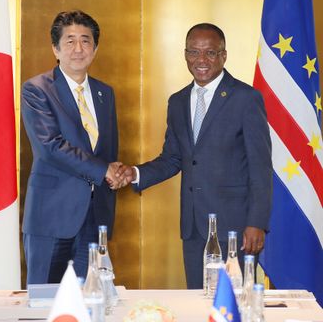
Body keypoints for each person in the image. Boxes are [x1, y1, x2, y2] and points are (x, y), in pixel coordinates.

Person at [115, 23, 273, 289]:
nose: (201, 60)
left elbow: (261, 167)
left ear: (224, 55)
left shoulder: (246, 98)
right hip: (193, 229)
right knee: (198, 303)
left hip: (235, 229)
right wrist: (135, 173)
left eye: (210, 53)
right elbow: (173, 158)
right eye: (194, 52)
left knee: (232, 306)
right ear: (185, 54)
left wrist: (257, 222)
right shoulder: (177, 101)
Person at [21, 10, 121, 284]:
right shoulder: (37, 89)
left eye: (86, 41)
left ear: (95, 48)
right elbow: (49, 146)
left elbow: (107, 151)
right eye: (70, 41)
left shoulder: (105, 93)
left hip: (94, 217)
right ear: (55, 48)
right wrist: (105, 171)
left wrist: (116, 172)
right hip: (51, 217)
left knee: (91, 300)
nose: (79, 49)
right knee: (46, 302)